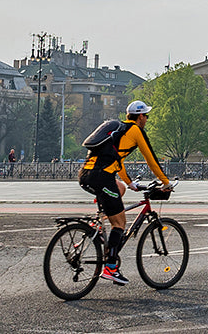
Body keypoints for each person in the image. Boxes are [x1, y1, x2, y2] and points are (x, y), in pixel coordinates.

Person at [79, 100, 171, 286]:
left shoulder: (119, 131)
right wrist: (166, 182)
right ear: (140, 117)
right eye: (146, 116)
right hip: (101, 176)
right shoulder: (135, 131)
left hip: (86, 174)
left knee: (119, 188)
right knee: (120, 222)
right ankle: (110, 267)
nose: (147, 119)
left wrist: (129, 183)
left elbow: (116, 160)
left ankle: (99, 225)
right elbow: (151, 159)